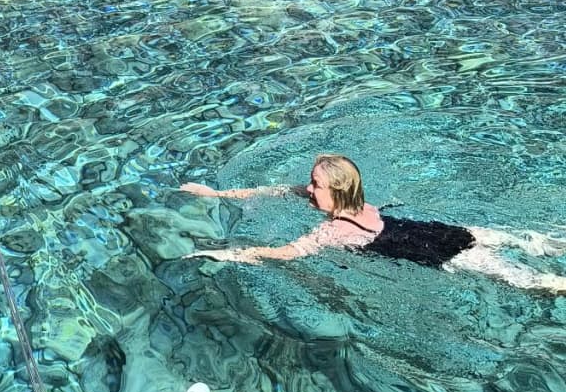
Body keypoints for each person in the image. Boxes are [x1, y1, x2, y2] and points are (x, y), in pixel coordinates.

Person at [180, 154, 566, 293]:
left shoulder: (333, 231)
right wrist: (215, 196)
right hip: (438, 228)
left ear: (336, 192)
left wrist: (228, 254)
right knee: (535, 242)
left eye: (316, 185)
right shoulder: (356, 201)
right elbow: (278, 189)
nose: (308, 190)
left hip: (435, 251)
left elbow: (281, 254)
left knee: (536, 283)